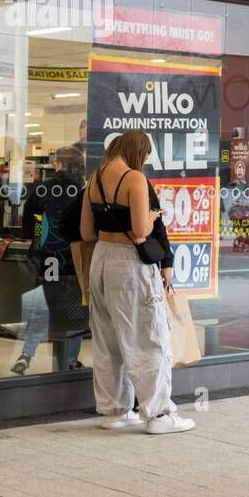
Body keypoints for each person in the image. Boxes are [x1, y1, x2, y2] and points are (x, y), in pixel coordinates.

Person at [80, 130, 193, 434]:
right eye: (144, 155)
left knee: (107, 340)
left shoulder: (95, 179)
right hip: (128, 263)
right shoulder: (134, 178)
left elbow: (86, 232)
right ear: (138, 151)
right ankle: (158, 415)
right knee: (146, 336)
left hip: (101, 259)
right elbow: (141, 230)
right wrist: (154, 217)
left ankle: (114, 411)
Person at [13, 146, 88, 374]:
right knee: (74, 312)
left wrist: (39, 245)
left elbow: (32, 226)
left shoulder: (42, 190)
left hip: (46, 259)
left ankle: (26, 355)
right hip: (73, 261)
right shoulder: (83, 191)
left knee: (40, 308)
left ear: (58, 165)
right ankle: (70, 359)